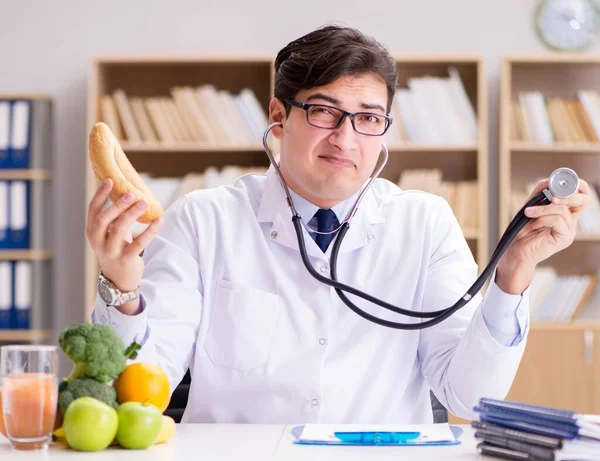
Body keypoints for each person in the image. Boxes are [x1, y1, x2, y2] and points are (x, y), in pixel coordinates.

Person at [86, 25, 590, 424]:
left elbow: (470, 394)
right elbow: (138, 391)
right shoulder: (203, 219)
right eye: (325, 112)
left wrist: (513, 274)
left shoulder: (425, 222)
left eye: (369, 118)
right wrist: (123, 291)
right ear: (279, 117)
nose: (346, 139)